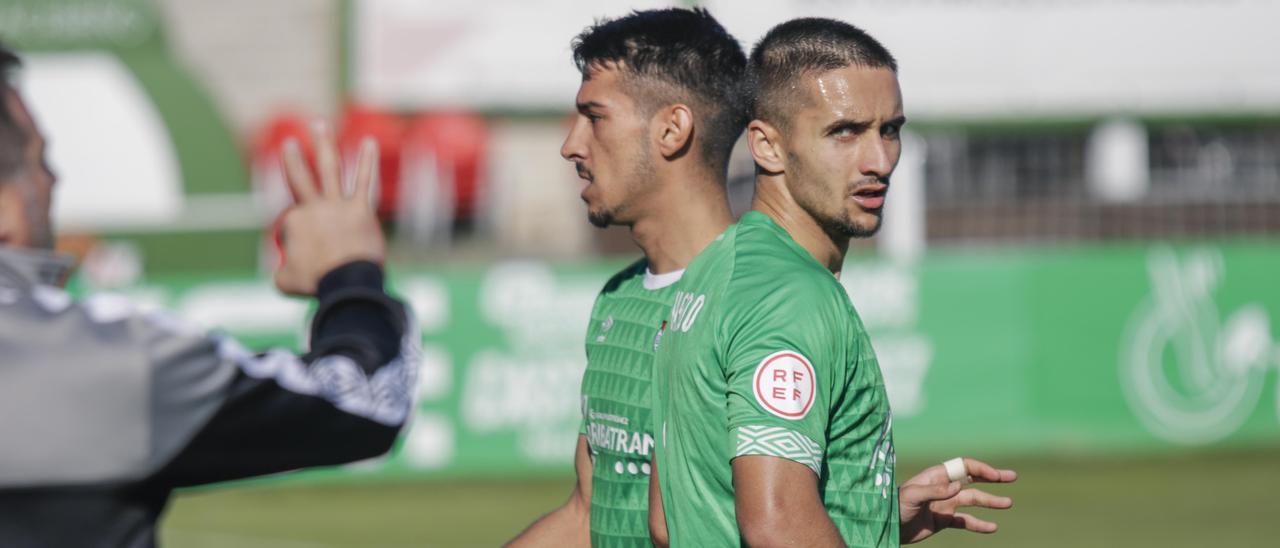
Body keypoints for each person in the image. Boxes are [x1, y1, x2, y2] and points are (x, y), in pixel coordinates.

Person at [0, 44, 418, 548]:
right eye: (39, 160)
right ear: (6, 209)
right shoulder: (104, 358)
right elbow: (366, 401)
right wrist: (348, 270)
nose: (54, 180)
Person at [648, 18, 1017, 547]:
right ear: (767, 146)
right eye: (844, 132)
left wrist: (874, 521)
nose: (880, 160)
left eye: (889, 129)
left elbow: (669, 520)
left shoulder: (708, 272)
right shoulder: (790, 298)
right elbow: (777, 527)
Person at [506, 8, 748, 547]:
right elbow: (586, 514)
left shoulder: (758, 303)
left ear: (672, 128)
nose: (571, 145)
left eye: (595, 117)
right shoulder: (618, 298)